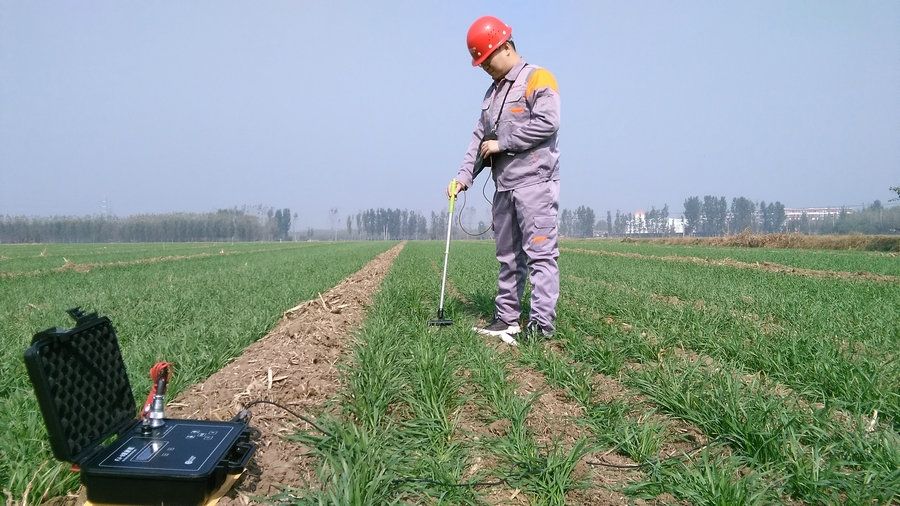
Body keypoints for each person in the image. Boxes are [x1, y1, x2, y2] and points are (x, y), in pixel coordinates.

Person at [448, 15, 561, 342]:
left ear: (506, 46)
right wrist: (463, 177)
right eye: (480, 63)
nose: (485, 67)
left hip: (535, 185)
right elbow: (479, 139)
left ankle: (541, 327)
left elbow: (548, 122)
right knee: (508, 258)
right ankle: (507, 318)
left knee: (540, 257)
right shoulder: (492, 94)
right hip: (504, 188)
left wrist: (504, 143)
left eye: (487, 59)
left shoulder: (538, 77)